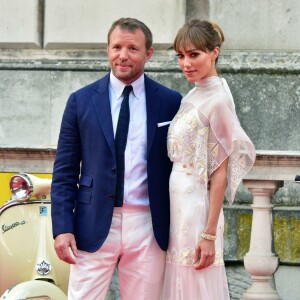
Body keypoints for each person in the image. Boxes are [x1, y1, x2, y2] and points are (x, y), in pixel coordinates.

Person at [51, 18, 182, 300]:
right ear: (108, 49)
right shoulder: (81, 100)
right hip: (92, 223)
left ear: (148, 53)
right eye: (117, 47)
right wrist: (62, 228)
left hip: (149, 225)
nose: (123, 55)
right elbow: (64, 170)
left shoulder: (170, 102)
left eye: (132, 48)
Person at [163, 19, 256, 299]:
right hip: (177, 203)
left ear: (214, 52)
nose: (186, 63)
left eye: (194, 55)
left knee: (194, 283)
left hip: (196, 209)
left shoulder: (218, 100)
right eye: (181, 55)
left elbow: (219, 172)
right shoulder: (194, 93)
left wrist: (209, 233)